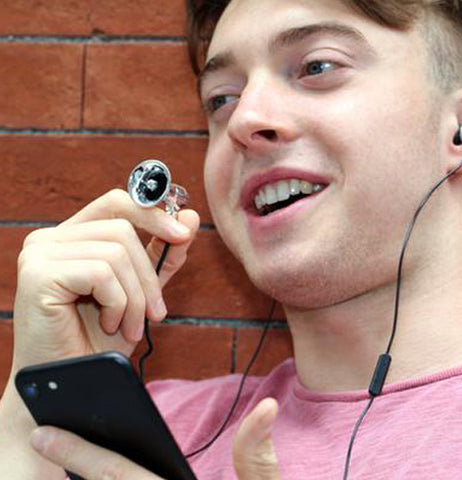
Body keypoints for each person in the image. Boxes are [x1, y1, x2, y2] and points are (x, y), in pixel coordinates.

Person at [1, 0, 462, 478]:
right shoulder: (139, 440)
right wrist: (29, 413)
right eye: (222, 99)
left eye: (317, 66)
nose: (243, 120)